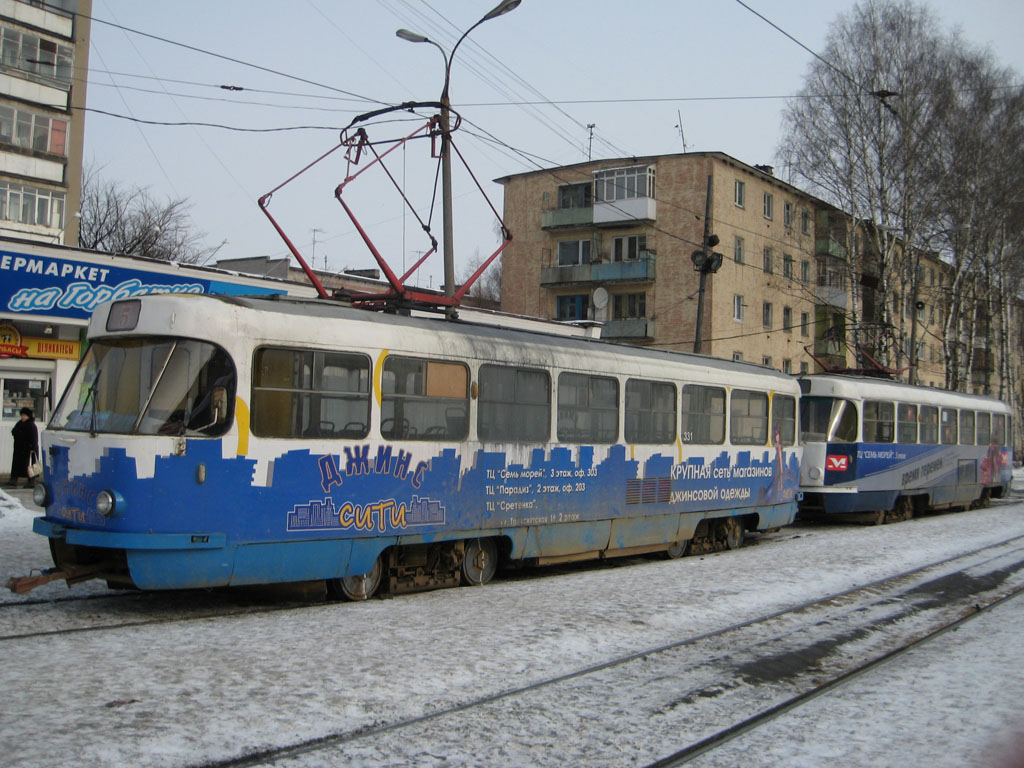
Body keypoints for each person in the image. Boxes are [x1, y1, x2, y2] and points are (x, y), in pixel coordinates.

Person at [8, 407, 39, 488]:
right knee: (17, 465)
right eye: (22, 415)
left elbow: (34, 438)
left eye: (24, 415)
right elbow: (13, 431)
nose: (23, 417)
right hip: (20, 449)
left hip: (29, 449)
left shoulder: (31, 425)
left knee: (31, 465)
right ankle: (13, 480)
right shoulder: (20, 423)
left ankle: (31, 482)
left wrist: (32, 448)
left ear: (28, 416)